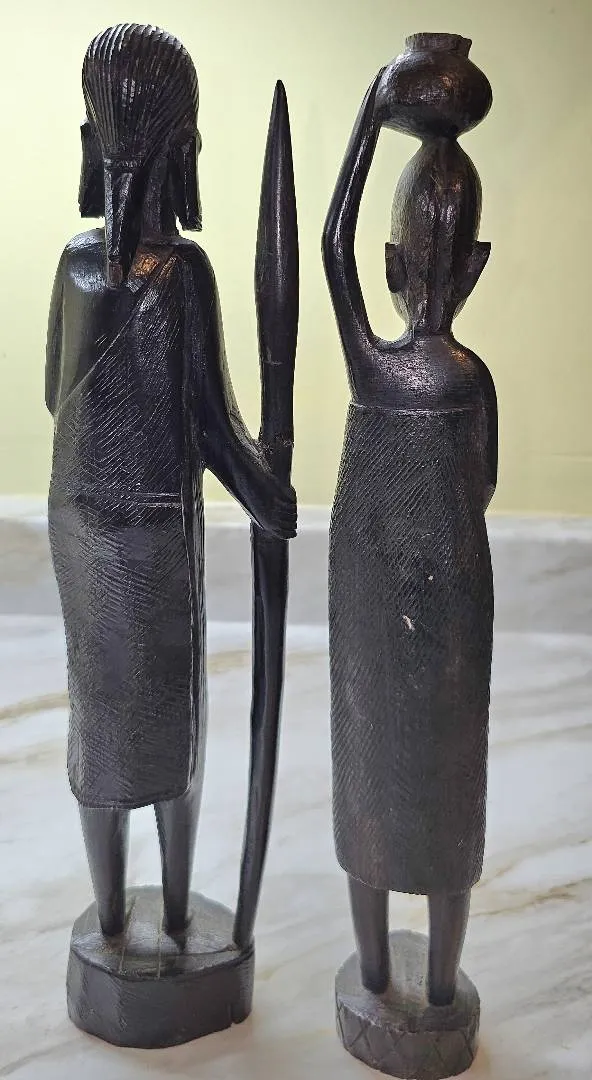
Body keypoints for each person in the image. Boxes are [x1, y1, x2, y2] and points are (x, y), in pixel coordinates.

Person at [46, 23, 296, 938]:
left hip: (77, 519)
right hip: (151, 532)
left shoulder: (75, 267)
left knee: (102, 715)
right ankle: (180, 910)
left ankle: (113, 914)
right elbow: (215, 430)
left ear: (92, 142)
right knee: (166, 722)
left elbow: (53, 395)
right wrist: (268, 496)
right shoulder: (183, 277)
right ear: (185, 150)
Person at [323, 40, 497, 1006]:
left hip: (368, 600)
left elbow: (329, 242)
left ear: (392, 263)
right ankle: (435, 990)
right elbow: (483, 488)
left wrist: (370, 109)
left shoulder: (374, 366)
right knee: (444, 792)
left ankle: (377, 976)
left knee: (371, 783)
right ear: (477, 265)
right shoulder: (471, 381)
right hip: (454, 614)